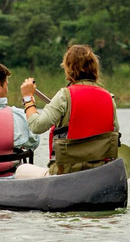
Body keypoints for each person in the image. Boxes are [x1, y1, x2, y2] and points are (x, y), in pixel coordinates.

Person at [20, 44, 120, 176]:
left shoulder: (64, 96)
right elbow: (115, 131)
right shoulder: (109, 97)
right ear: (95, 68)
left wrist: (28, 99)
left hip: (66, 173)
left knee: (21, 169)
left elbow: (36, 126)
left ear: (68, 69)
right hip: (99, 171)